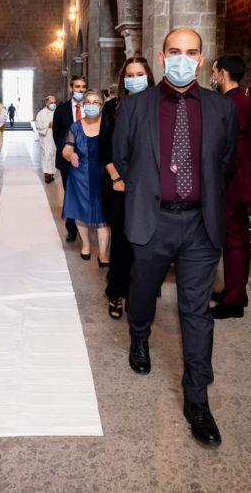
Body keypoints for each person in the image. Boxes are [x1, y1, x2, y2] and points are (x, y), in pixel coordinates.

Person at [113, 27, 237, 448]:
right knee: (143, 291)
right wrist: (154, 187)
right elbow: (123, 159)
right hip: (152, 220)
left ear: (201, 59)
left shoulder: (222, 108)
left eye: (191, 52)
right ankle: (140, 335)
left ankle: (197, 400)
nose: (182, 59)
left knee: (196, 312)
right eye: (174, 52)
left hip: (201, 225)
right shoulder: (135, 107)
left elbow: (225, 161)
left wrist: (190, 187)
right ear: (162, 57)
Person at [99, 56, 154, 320]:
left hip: (147, 187)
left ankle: (138, 293)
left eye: (139, 74)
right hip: (117, 184)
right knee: (121, 241)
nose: (134, 79)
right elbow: (103, 149)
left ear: (148, 76)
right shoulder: (112, 106)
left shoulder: (157, 105)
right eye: (129, 75)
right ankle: (116, 292)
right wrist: (116, 178)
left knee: (143, 244)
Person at [209, 55, 251, 319]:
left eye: (214, 71)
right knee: (235, 240)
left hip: (231, 185)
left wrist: (213, 178)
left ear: (224, 73)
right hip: (239, 184)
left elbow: (233, 151)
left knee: (233, 243)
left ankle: (234, 301)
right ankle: (236, 290)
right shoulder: (247, 103)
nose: (213, 76)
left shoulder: (234, 104)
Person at [62, 89, 110, 265]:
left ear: (101, 106)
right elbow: (67, 147)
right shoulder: (75, 127)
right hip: (80, 174)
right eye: (87, 102)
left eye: (95, 102)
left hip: (103, 173)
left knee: (103, 214)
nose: (91, 105)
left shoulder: (107, 125)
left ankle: (103, 253)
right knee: (80, 212)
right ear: (83, 105)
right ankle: (86, 246)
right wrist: (70, 155)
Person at [53, 75, 88, 242]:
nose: (80, 90)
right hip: (68, 159)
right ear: (71, 88)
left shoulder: (91, 107)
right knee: (70, 192)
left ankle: (87, 221)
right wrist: (67, 152)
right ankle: (72, 227)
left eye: (83, 87)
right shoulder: (62, 110)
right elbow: (57, 135)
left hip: (88, 160)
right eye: (77, 86)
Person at [34, 95, 58, 183]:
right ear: (46, 103)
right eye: (51, 103)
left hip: (55, 137)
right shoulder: (41, 113)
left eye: (54, 102)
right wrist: (48, 125)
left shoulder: (58, 112)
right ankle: (47, 174)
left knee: (53, 155)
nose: (53, 104)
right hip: (46, 137)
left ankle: (52, 173)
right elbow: (38, 126)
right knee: (46, 155)